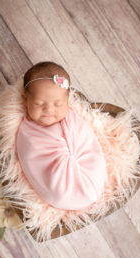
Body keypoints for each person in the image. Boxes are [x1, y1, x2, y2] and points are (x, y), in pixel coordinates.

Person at [16, 61, 108, 210]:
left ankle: (88, 190)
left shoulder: (73, 119)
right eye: (39, 103)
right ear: (26, 99)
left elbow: (87, 142)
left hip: (87, 168)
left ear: (67, 100)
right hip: (57, 188)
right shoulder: (28, 132)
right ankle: (69, 196)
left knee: (95, 169)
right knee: (59, 189)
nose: (49, 110)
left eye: (58, 104)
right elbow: (31, 156)